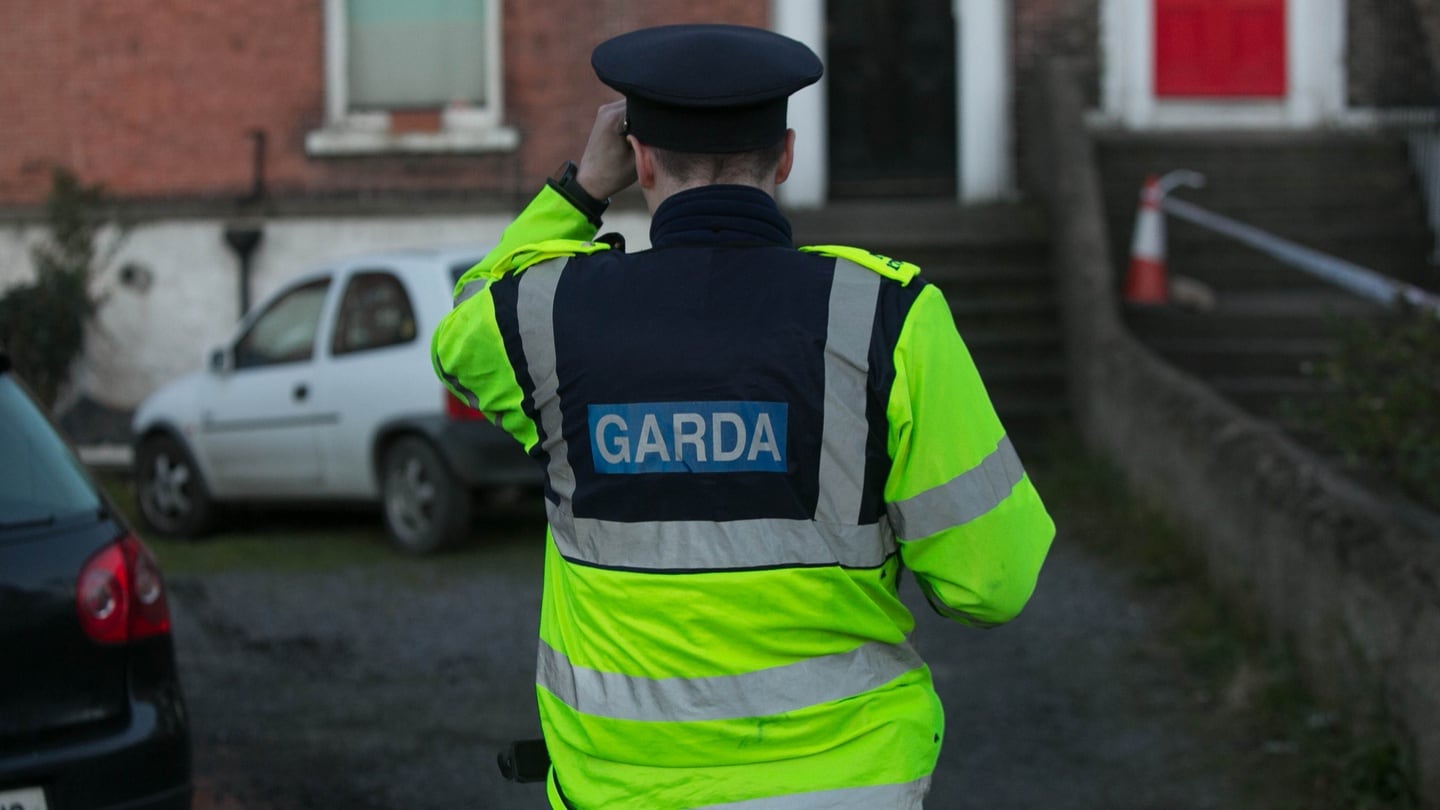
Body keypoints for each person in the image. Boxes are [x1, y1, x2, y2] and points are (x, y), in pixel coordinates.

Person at [432, 23, 1055, 810]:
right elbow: (992, 584)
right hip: (845, 786)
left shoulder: (547, 319)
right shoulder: (887, 318)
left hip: (619, 790)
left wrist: (580, 193)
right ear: (785, 156)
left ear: (641, 159)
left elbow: (460, 330)